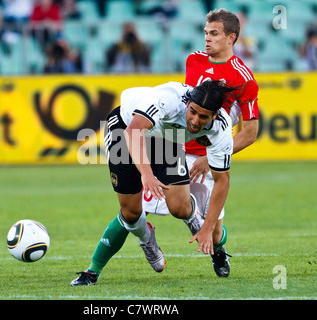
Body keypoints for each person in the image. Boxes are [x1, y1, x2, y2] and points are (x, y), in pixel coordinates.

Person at [71, 80, 237, 286]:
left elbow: (223, 180)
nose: (195, 121)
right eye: (192, 111)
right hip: (125, 127)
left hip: (167, 135)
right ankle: (136, 244)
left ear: (214, 115)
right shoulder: (168, 99)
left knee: (180, 208)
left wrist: (208, 227)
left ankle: (198, 224)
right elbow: (133, 131)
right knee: (131, 213)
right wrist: (147, 174)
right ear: (187, 104)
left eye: (203, 117)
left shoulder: (221, 127)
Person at [143, 8, 259, 278]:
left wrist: (211, 158)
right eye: (206, 33)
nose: (207, 39)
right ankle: (96, 268)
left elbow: (250, 132)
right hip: (177, 149)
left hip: (209, 159)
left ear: (231, 38)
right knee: (136, 207)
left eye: (214, 34)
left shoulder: (243, 78)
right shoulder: (193, 60)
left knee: (216, 231)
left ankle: (218, 249)